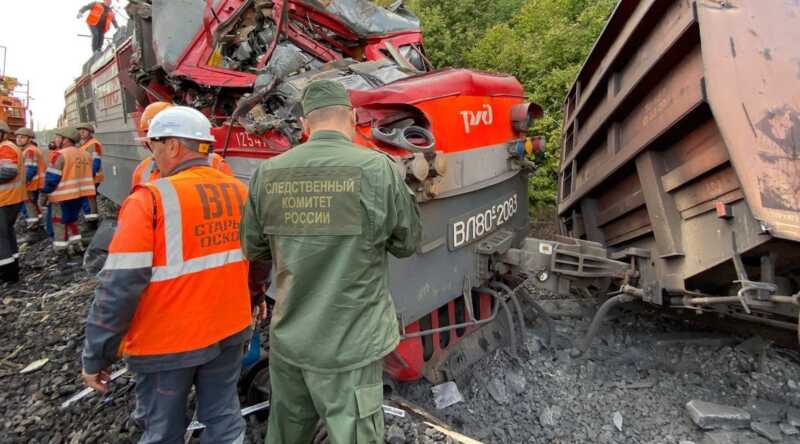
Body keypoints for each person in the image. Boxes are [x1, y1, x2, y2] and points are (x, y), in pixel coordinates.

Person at [240, 80, 422, 444]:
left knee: (286, 432)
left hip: (291, 340)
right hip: (351, 344)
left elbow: (255, 248)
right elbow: (407, 244)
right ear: (353, 119)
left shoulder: (267, 173)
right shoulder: (377, 169)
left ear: (306, 125)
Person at [81, 106, 265, 444]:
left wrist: (98, 353)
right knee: (224, 419)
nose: (152, 155)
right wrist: (253, 298)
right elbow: (259, 259)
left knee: (162, 430)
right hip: (229, 329)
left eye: (154, 146)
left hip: (167, 342)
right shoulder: (240, 192)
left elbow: (119, 288)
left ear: (174, 147)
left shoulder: (150, 199)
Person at [131, 102, 234, 191]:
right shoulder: (143, 170)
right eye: (150, 143)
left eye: (154, 141)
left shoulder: (216, 163)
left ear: (172, 145)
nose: (154, 154)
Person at [41, 128, 95, 257]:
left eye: (58, 137)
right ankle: (77, 245)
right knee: (72, 220)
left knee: (59, 223)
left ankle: (61, 251)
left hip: (62, 196)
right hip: (79, 195)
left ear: (65, 140)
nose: (55, 140)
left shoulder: (59, 155)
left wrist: (43, 195)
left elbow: (52, 179)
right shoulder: (84, 154)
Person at [0, 121, 26, 283]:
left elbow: (8, 171)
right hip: (10, 198)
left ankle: (8, 274)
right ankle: (12, 266)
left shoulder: (5, 148)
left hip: (5, 199)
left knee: (1, 237)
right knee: (7, 233)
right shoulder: (7, 147)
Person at [16, 128, 46, 235]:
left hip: (32, 183)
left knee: (29, 205)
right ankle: (38, 223)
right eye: (18, 137)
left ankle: (34, 228)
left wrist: (22, 182)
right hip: (36, 183)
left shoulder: (30, 151)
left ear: (29, 139)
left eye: (22, 137)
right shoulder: (31, 149)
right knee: (33, 205)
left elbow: (30, 169)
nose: (19, 139)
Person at [77, 122, 103, 231]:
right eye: (80, 130)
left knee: (89, 200)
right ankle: (90, 221)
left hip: (92, 177)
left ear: (90, 132)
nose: (81, 132)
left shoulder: (93, 144)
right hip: (86, 177)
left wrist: (88, 176)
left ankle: (92, 224)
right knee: (87, 199)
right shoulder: (83, 145)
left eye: (84, 130)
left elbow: (96, 162)